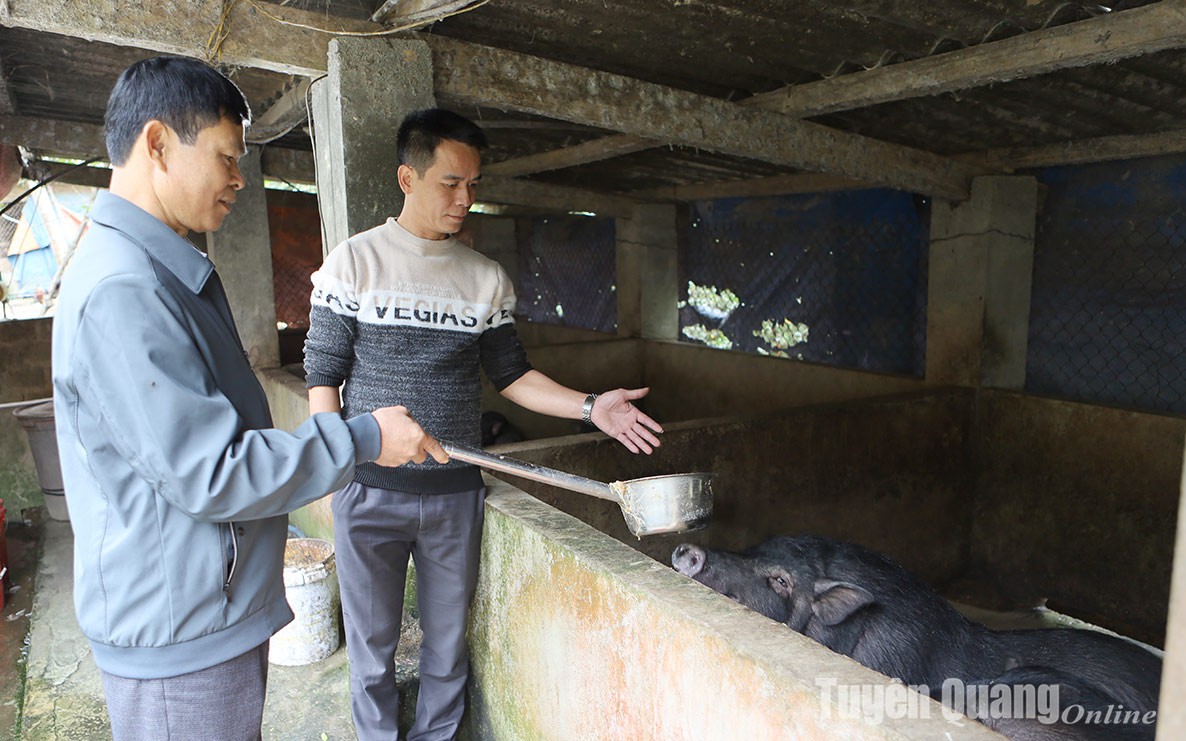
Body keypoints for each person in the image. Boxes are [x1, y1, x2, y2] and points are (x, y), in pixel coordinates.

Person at [50, 56, 446, 741]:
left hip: (201, 610)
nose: (239, 177)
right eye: (227, 157)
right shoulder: (124, 291)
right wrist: (363, 437)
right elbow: (212, 470)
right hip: (179, 634)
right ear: (156, 144)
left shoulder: (159, 270)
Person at [305, 107, 664, 739]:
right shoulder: (353, 264)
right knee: (371, 655)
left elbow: (512, 376)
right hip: (369, 491)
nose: (465, 199)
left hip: (453, 495)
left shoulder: (485, 280)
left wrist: (589, 407)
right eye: (451, 182)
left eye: (473, 184)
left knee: (447, 653)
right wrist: (334, 474)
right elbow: (322, 376)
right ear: (406, 178)